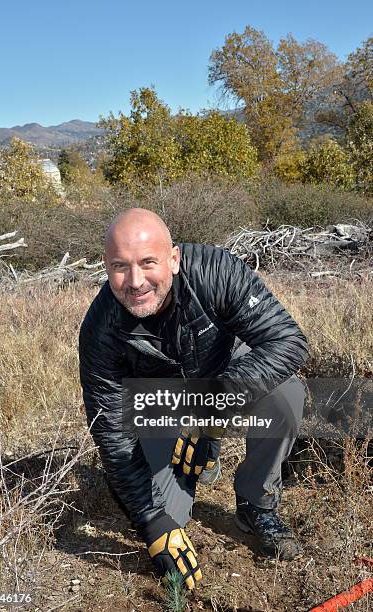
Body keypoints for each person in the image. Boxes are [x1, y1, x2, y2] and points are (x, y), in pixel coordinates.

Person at [79, 208, 309, 590]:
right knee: (167, 515)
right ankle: (195, 461)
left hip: (223, 377)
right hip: (158, 403)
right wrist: (152, 522)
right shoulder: (100, 329)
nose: (135, 282)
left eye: (148, 262)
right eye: (120, 266)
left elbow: (288, 341)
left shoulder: (215, 271)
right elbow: (110, 431)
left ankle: (256, 502)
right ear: (106, 268)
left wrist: (210, 409)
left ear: (174, 259)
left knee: (286, 396)